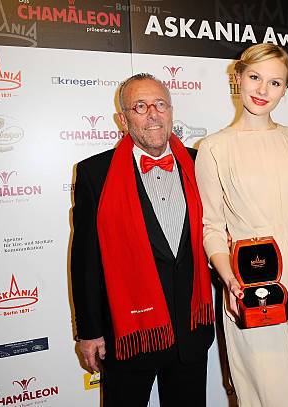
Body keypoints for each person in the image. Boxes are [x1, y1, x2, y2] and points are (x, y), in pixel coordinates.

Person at [195, 43, 288, 407]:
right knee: (269, 391)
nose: (262, 90)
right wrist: (231, 281)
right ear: (238, 78)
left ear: (286, 88)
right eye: (254, 77)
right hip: (252, 279)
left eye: (274, 83)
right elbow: (211, 226)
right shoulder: (214, 147)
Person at [70, 73, 214, 407]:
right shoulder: (96, 173)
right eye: (140, 106)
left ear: (171, 110)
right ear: (123, 119)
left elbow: (216, 235)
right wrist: (89, 331)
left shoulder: (202, 163)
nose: (153, 113)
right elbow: (86, 259)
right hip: (129, 335)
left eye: (160, 104)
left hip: (190, 333)